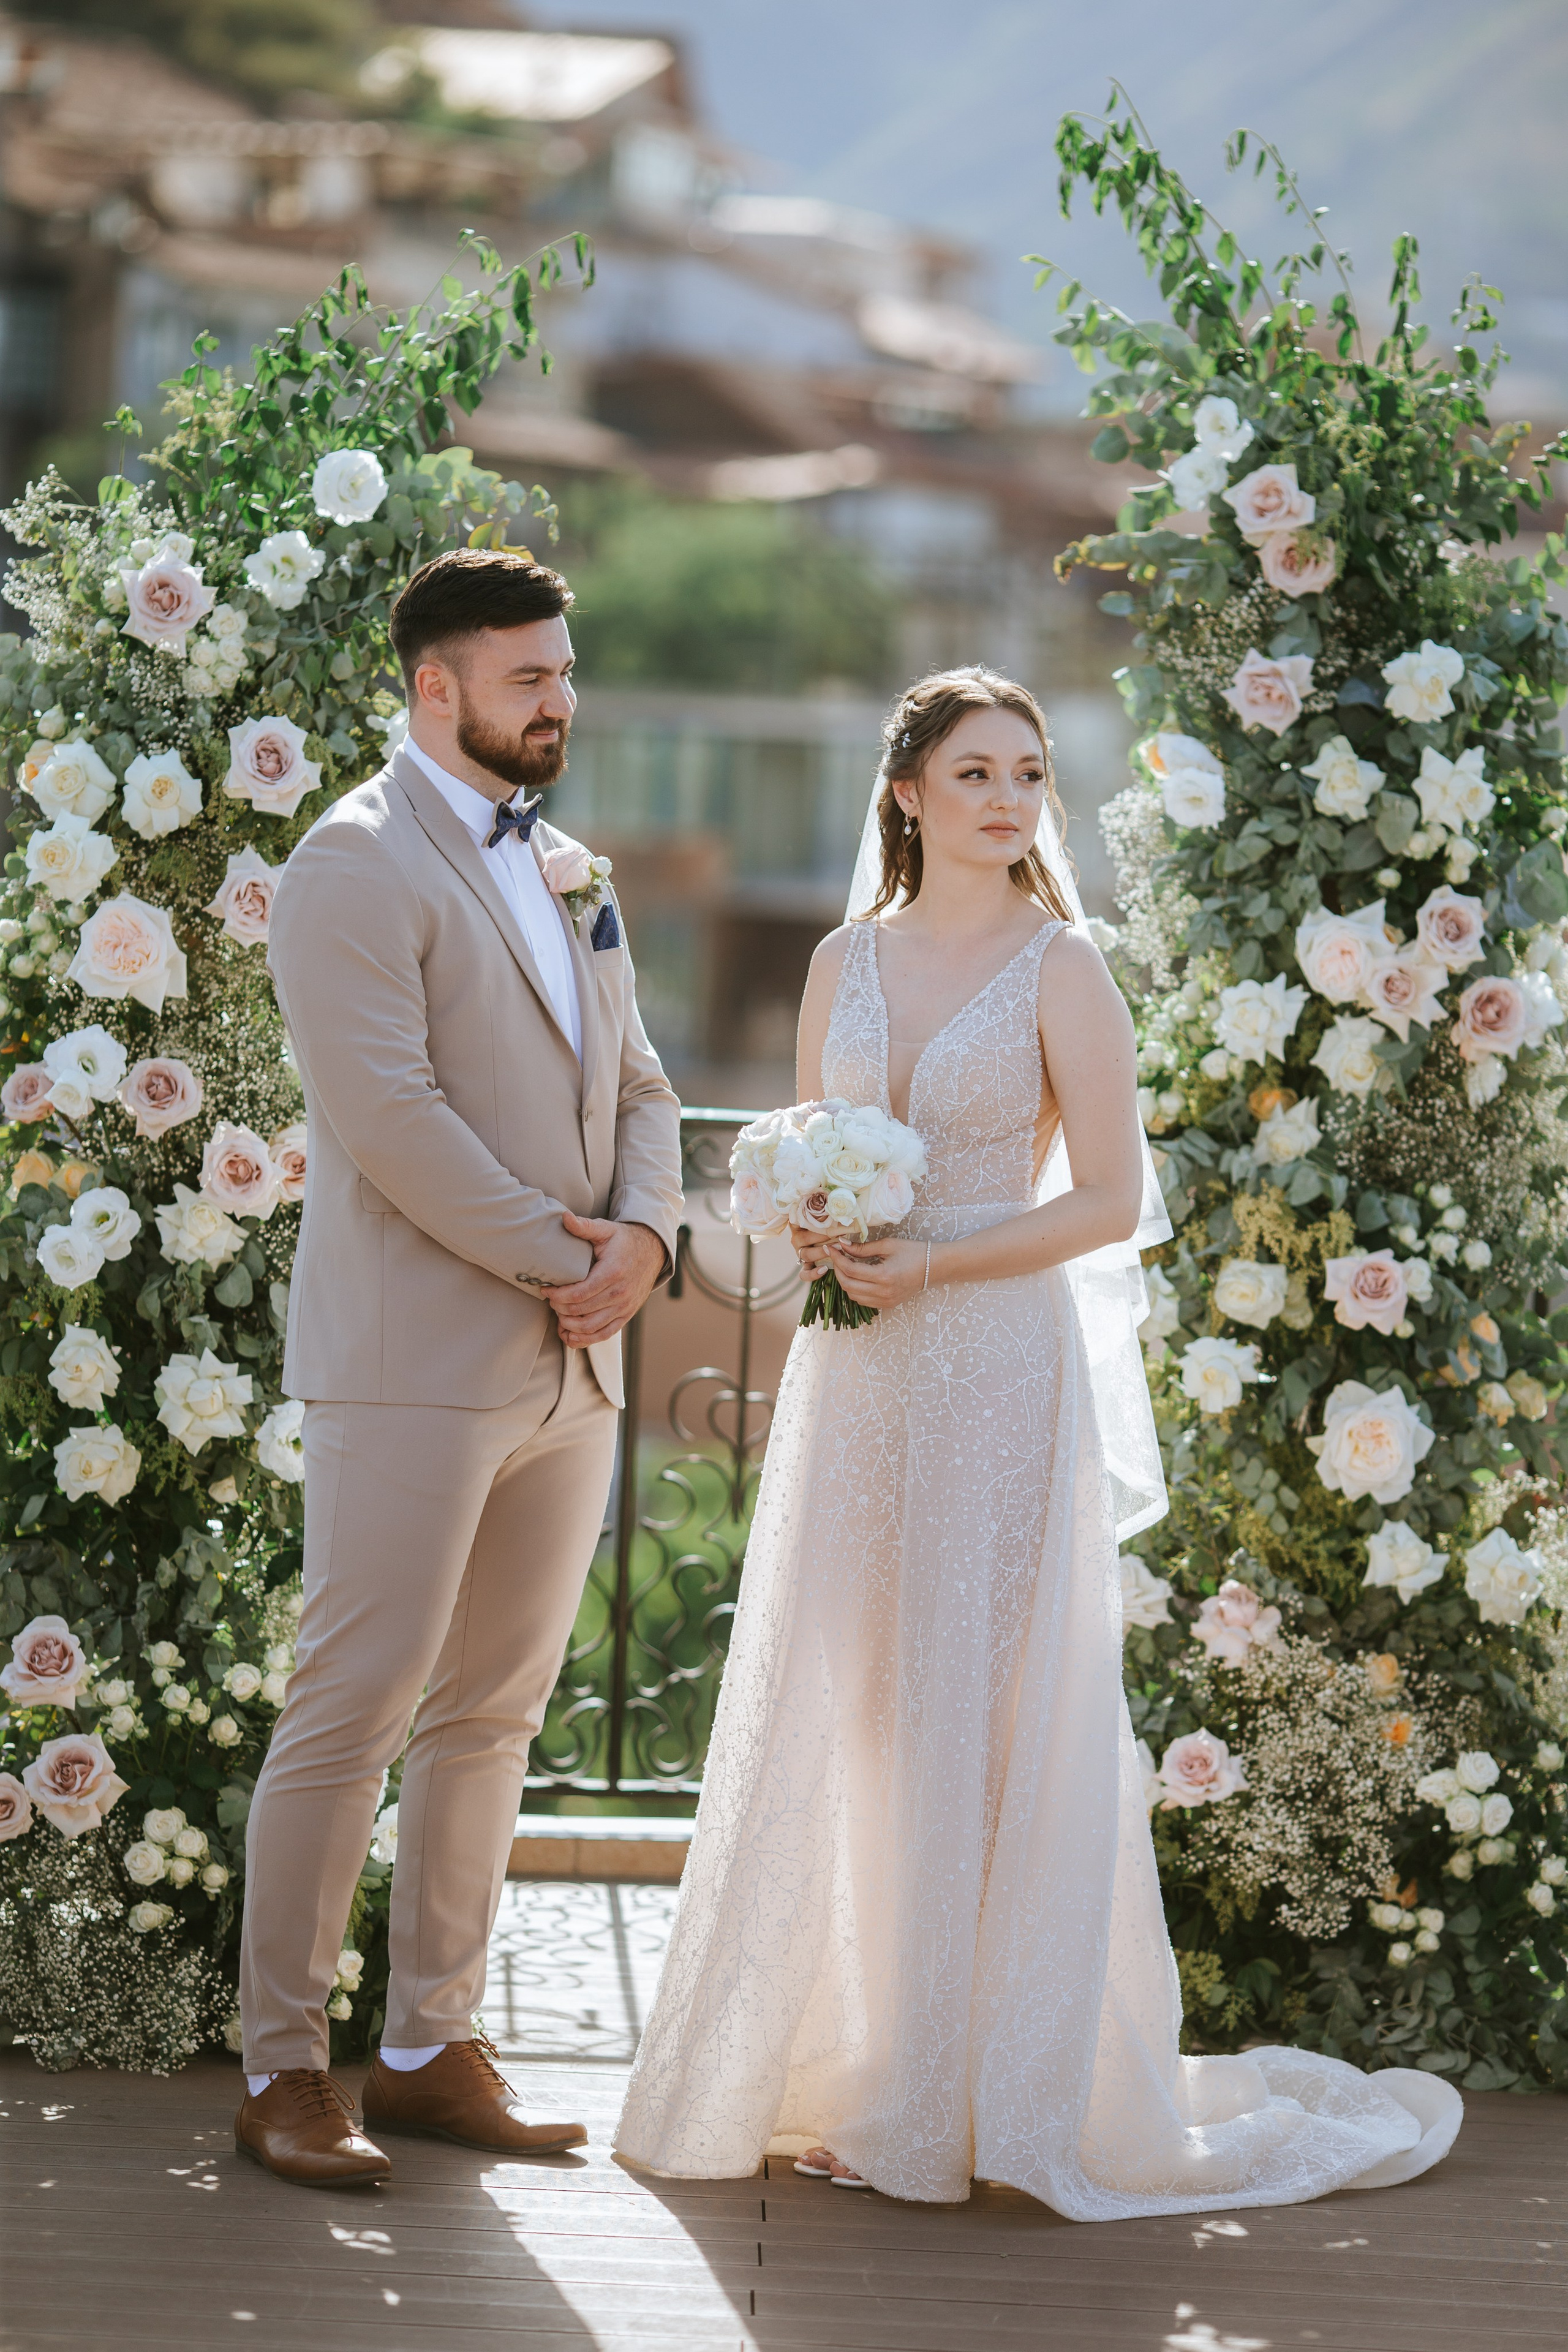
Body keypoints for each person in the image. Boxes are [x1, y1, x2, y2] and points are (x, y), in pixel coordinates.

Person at [614, 666, 1461, 2217]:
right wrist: (815, 1223)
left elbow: (1110, 1201)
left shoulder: (1063, 966)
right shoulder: (838, 963)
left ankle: (969, 2102)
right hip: (857, 1374)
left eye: (1028, 775)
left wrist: (933, 1256)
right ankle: (859, 2069)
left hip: (997, 1368)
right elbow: (811, 1143)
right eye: (977, 772)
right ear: (908, 791)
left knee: (987, 1712)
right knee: (862, 1703)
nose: (1008, 799)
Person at [236, 548, 683, 2188]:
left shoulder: (574, 864)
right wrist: (580, 1261)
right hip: (415, 1363)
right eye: (527, 679)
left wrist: (647, 1242)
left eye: (564, 673)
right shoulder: (348, 863)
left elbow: (644, 1080)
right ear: (437, 687)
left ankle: (428, 2045)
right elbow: (390, 1121)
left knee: (489, 1720)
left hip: (572, 1371)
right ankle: (284, 2067)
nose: (559, 701)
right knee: (348, 1716)